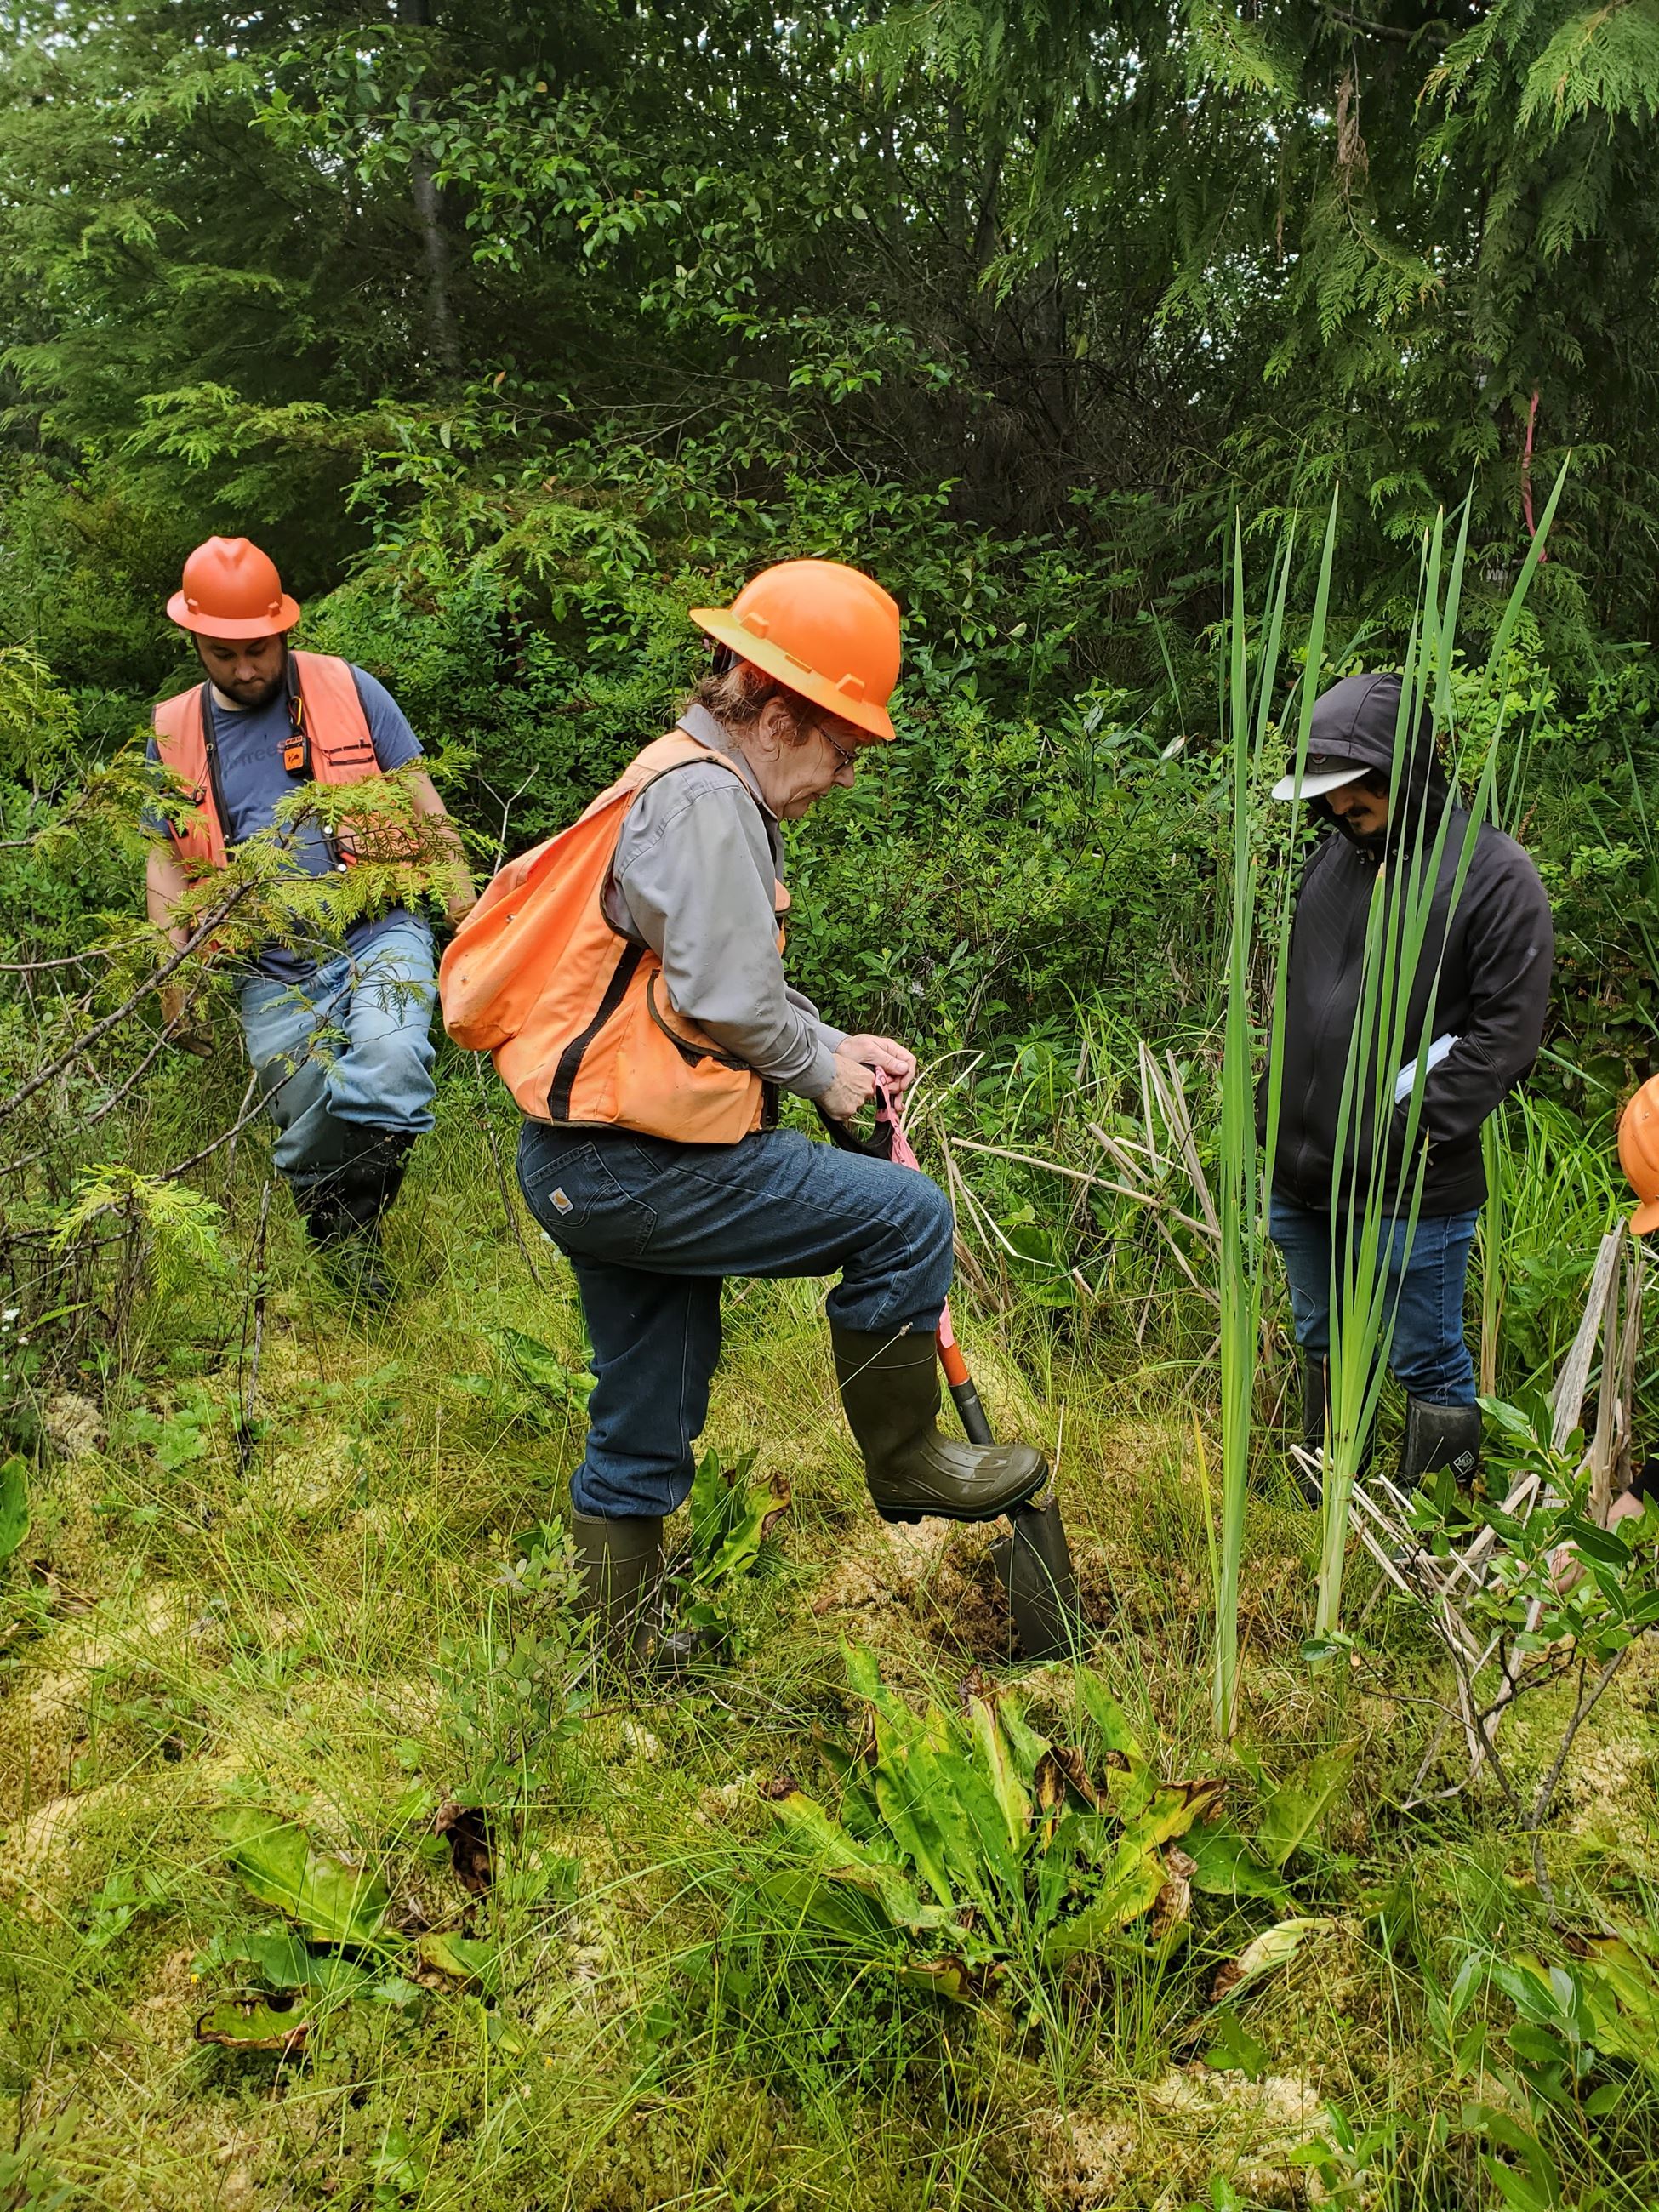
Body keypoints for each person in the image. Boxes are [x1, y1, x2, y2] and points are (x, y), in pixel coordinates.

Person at [441, 557, 1046, 1657]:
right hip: (637, 1166)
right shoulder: (707, 801)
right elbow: (725, 999)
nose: (843, 776)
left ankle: (624, 1656)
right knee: (902, 1220)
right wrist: (819, 1075)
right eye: (843, 749)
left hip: (586, 1162)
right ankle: (910, 1462)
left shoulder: (676, 781)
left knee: (648, 1406)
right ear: (775, 714)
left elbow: (707, 983)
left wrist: (829, 1043)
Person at [145, 535, 475, 1300]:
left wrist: (466, 906)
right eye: (225, 655)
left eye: (259, 649)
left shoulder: (348, 689)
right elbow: (164, 860)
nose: (247, 668)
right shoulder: (174, 731)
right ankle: (345, 1247)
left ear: (283, 628)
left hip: (378, 925)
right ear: (195, 640)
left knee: (390, 1068)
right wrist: (174, 971)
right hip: (268, 961)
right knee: (306, 1118)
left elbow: (425, 802)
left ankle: (354, 1221)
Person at [1265, 670, 1554, 1495]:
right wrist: (1276, 1101)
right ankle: (1329, 1486)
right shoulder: (1338, 859)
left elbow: (1509, 1033)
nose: (1333, 812)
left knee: (1422, 1349)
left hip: (1411, 1181)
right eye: (1325, 798)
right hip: (1305, 1169)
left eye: (1352, 796)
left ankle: (1433, 1526)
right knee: (1321, 1328)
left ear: (1403, 771)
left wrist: (1407, 1125)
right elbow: (1309, 995)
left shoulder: (1493, 876)